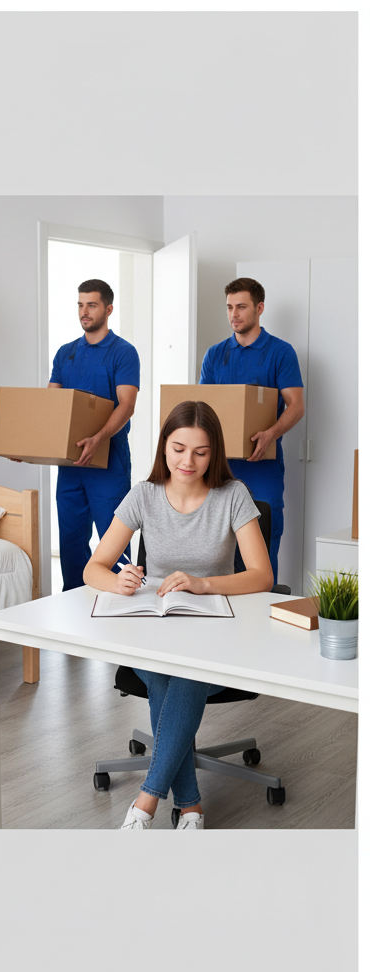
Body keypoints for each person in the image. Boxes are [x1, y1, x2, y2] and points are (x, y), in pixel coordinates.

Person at [83, 401, 273, 829]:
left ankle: (148, 799)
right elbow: (93, 567)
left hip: (216, 634)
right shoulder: (144, 495)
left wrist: (205, 583)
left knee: (181, 676)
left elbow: (262, 576)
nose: (188, 461)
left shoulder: (232, 496)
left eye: (201, 452)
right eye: (178, 448)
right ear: (164, 447)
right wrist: (118, 581)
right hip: (154, 631)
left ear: (215, 453)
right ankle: (189, 805)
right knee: (167, 672)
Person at [199, 277, 304, 585]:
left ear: (259, 308)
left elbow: (295, 405)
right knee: (216, 545)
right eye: (230, 307)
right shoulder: (215, 355)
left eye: (242, 307)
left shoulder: (280, 352)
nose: (234, 314)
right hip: (220, 466)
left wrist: (271, 433)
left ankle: (261, 618)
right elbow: (203, 409)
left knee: (264, 541)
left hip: (263, 465)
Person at [44, 278, 140, 590]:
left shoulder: (123, 352)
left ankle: (120, 608)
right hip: (71, 465)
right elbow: (51, 406)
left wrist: (99, 438)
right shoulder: (65, 353)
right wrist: (32, 443)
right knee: (71, 543)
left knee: (114, 542)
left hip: (108, 463)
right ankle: (74, 609)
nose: (84, 312)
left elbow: (126, 405)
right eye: (80, 305)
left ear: (108, 309)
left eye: (92, 305)